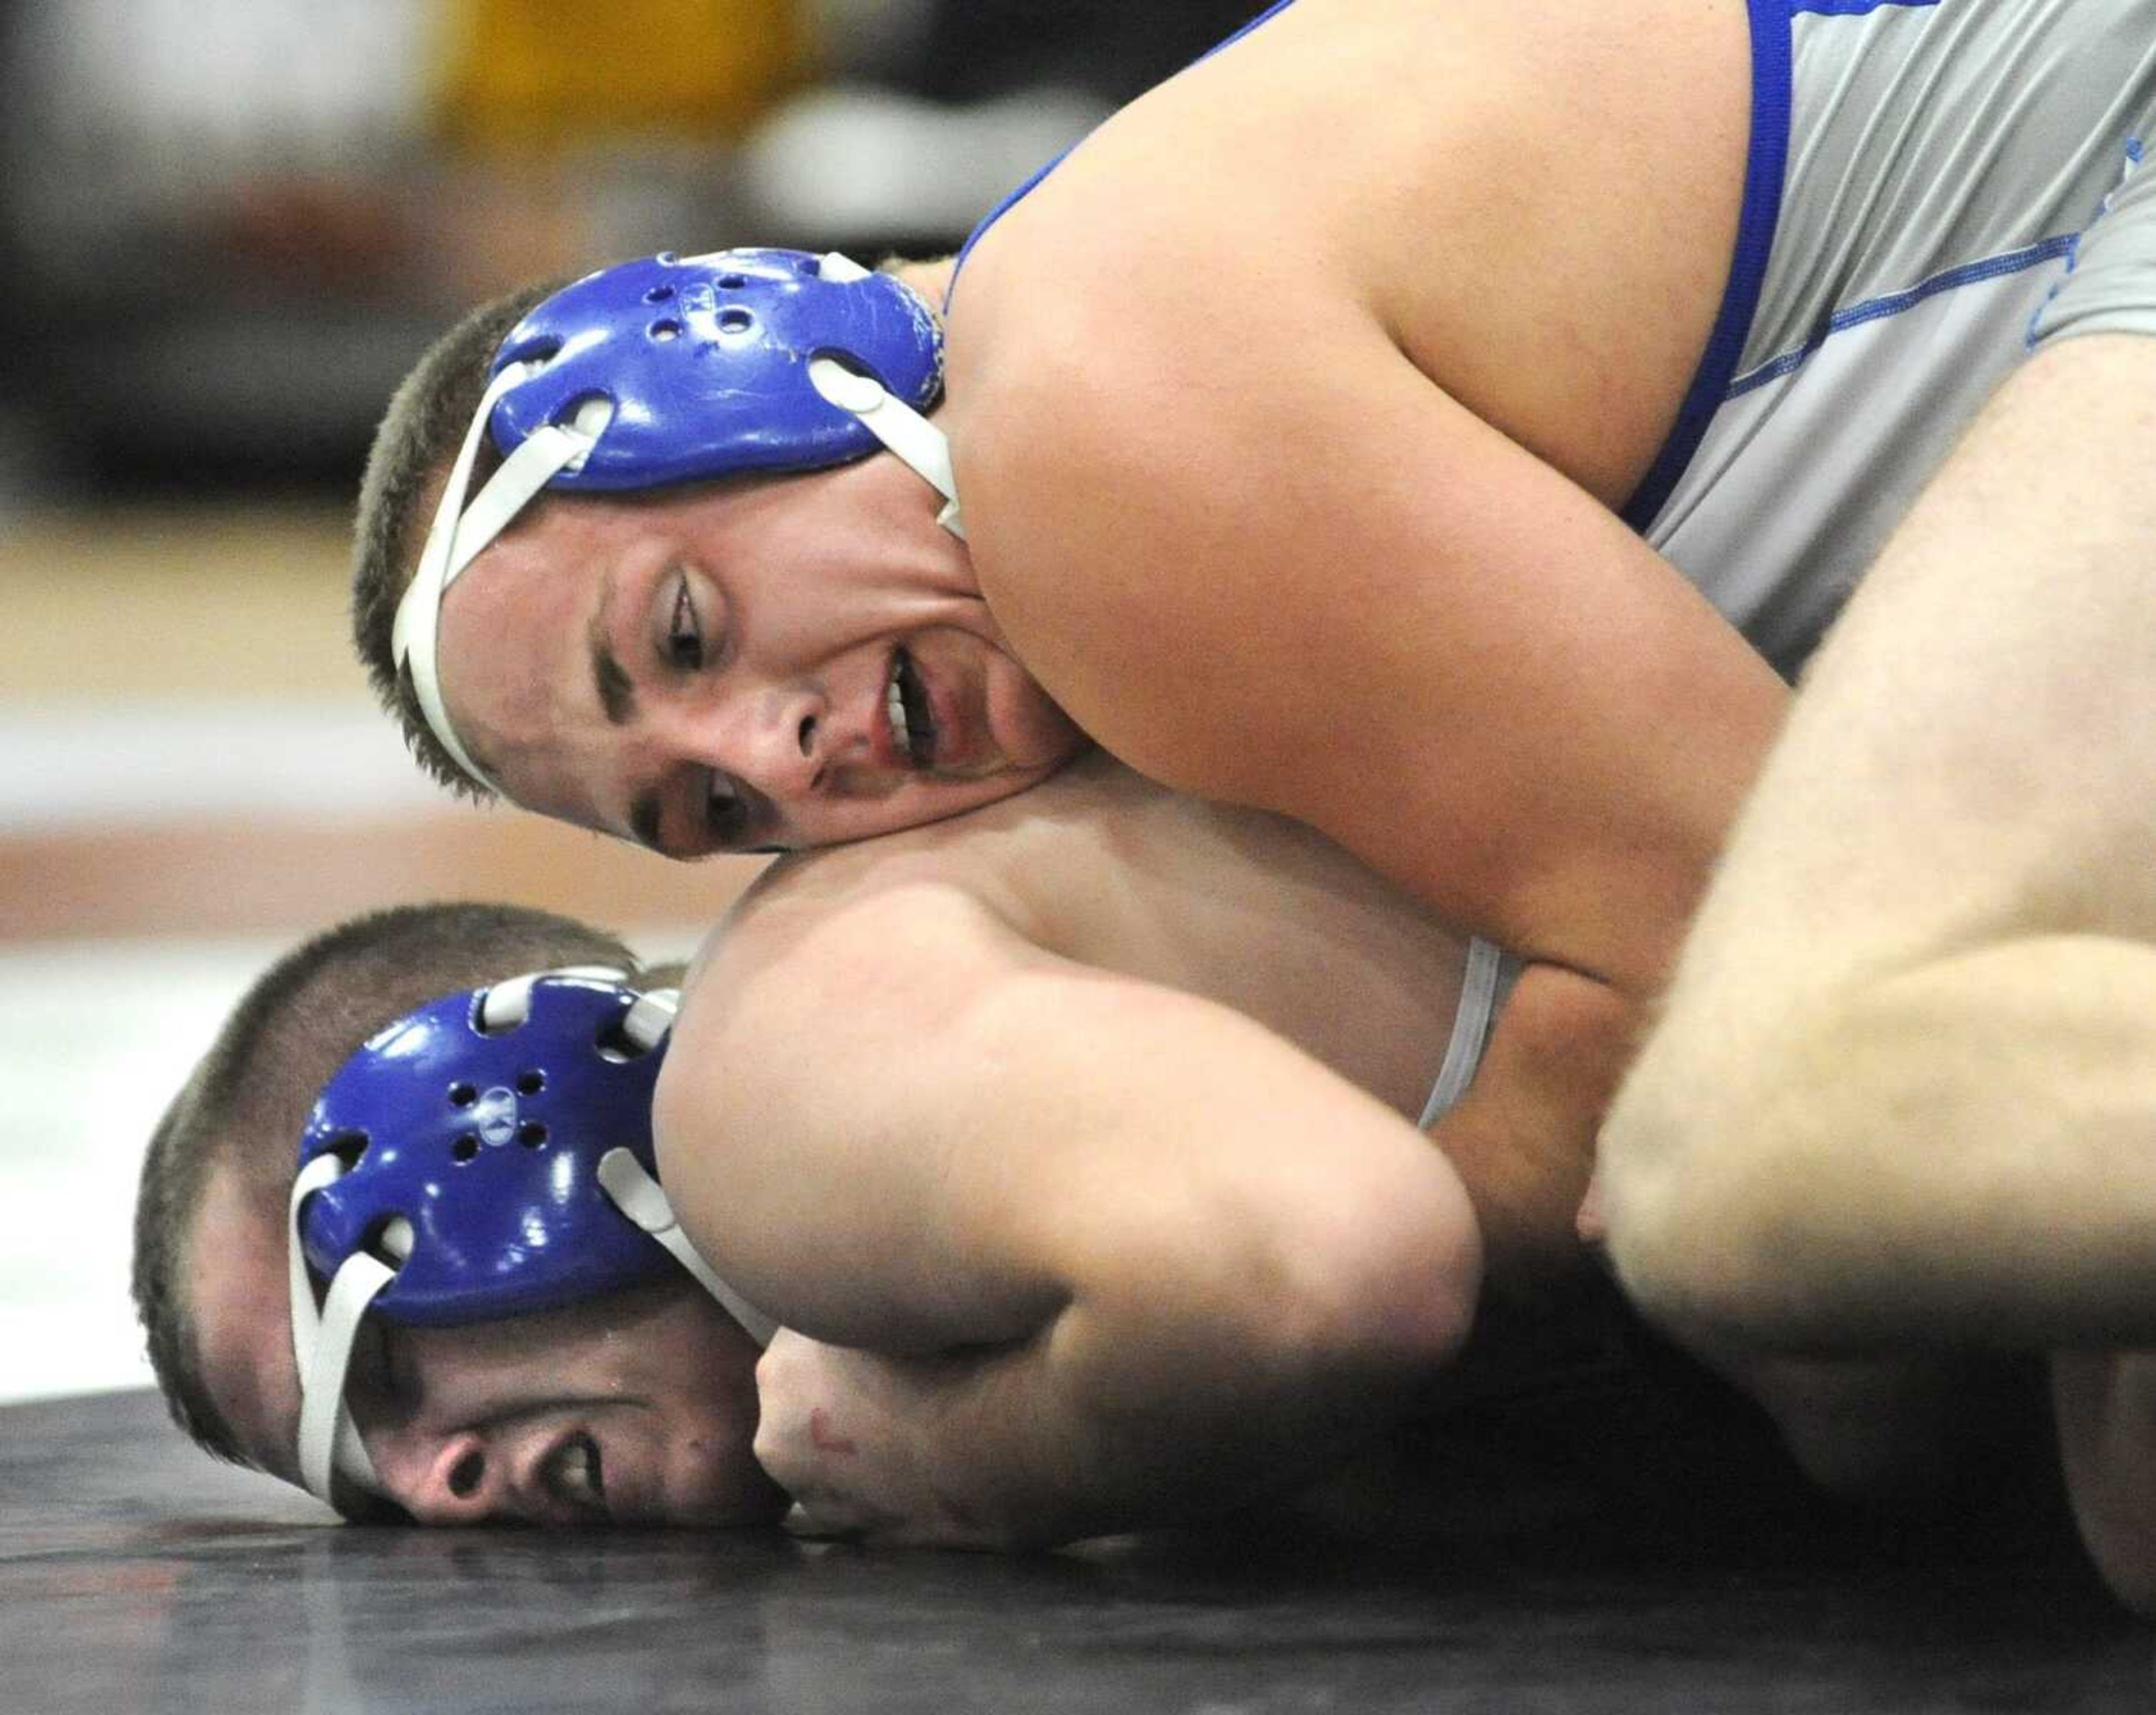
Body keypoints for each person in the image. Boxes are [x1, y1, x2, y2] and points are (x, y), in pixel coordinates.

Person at [348, 0, 2156, 1236]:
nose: (774, 758)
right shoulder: (1131, 260)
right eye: (707, 814)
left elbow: (1731, 994)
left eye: (681, 636)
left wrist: (1084, 1412)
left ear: (750, 367)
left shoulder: (1080, 421)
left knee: (1773, 1180)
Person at [144, 759, 2007, 1548]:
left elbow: (1328, 1273)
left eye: (375, 1362)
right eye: (356, 1486)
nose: (433, 1491)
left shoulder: (801, 1054)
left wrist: (977, 1467)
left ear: (512, 1106)